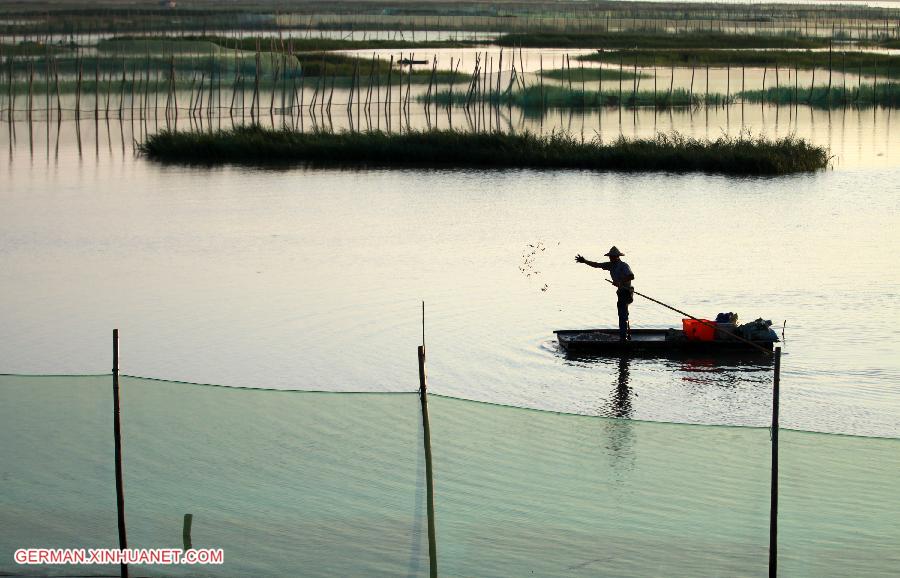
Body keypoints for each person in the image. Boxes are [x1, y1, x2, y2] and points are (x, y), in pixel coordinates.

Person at [575, 246, 635, 342]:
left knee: (623, 314)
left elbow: (631, 276)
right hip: (620, 292)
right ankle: (625, 335)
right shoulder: (610, 265)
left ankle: (624, 338)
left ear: (617, 257)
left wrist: (620, 282)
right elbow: (596, 265)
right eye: (610, 256)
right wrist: (584, 261)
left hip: (626, 291)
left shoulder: (623, 265)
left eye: (613, 256)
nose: (611, 258)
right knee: (623, 314)